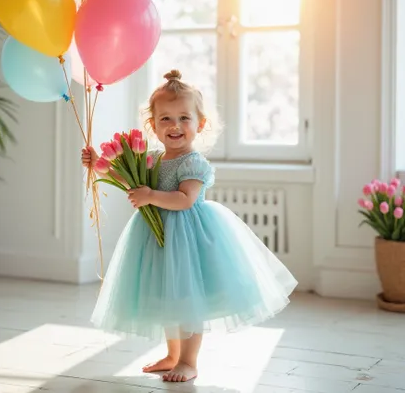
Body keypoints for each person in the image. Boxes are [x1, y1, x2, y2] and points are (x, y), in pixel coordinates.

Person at [81, 69, 298, 383]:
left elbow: (184, 199)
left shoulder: (194, 162)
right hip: (157, 239)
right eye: (166, 119)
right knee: (168, 298)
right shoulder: (152, 158)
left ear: (201, 124)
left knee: (188, 300)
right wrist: (97, 162)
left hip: (188, 237)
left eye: (184, 118)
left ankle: (188, 360)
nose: (175, 126)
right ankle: (171, 355)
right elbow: (128, 180)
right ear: (152, 125)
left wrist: (151, 195)